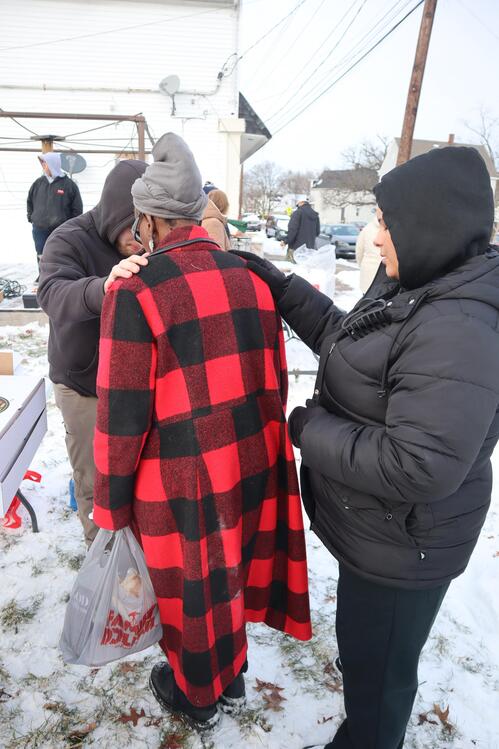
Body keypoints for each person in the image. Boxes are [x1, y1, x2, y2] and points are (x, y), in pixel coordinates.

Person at [232, 146, 499, 749]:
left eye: (385, 222)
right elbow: (350, 342)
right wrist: (283, 288)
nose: (376, 237)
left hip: (406, 544)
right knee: (364, 654)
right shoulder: (422, 284)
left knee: (378, 677)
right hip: (381, 529)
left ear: (429, 223)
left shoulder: (458, 327)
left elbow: (419, 464)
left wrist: (307, 430)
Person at [92, 132, 312, 731]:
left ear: (148, 219)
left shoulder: (136, 290)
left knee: (190, 592)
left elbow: (120, 417)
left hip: (177, 475)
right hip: (247, 457)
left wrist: (110, 506)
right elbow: (273, 380)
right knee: (230, 570)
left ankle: (197, 696)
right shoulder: (251, 277)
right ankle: (231, 676)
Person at [37, 159, 147, 547]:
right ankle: (102, 562)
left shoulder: (148, 241)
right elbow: (52, 293)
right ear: (115, 211)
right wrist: (102, 288)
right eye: (132, 226)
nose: (140, 239)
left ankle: (138, 558)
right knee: (94, 481)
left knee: (135, 479)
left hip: (133, 387)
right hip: (82, 384)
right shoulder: (68, 239)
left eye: (146, 226)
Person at [27, 152, 83, 266]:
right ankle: (42, 274)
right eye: (42, 163)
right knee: (41, 255)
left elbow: (77, 209)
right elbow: (30, 201)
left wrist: (70, 226)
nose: (43, 166)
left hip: (60, 230)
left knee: (59, 254)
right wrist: (32, 218)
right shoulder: (38, 183)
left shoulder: (68, 185)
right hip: (40, 229)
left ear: (53, 164)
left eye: (45, 163)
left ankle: (59, 274)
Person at [355, 215, 380, 293]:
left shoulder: (367, 228)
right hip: (387, 274)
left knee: (367, 296)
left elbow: (359, 251)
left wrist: (362, 265)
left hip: (368, 271)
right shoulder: (394, 227)